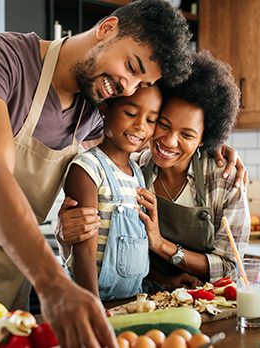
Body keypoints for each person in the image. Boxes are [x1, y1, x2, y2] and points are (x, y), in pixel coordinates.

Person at [0, 0, 195, 344]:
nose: (127, 87)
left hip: (6, 283)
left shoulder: (93, 110)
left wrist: (209, 148)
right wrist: (53, 283)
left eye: (139, 83)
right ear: (107, 29)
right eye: (131, 66)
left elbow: (143, 144)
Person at [57, 51, 250, 292]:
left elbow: (231, 266)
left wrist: (161, 245)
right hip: (143, 299)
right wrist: (65, 230)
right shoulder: (133, 167)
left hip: (208, 301)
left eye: (187, 135)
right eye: (163, 124)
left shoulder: (224, 180)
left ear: (204, 139)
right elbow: (94, 246)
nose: (169, 141)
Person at [65, 86, 161, 301]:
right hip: (90, 300)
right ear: (105, 109)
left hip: (131, 300)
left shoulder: (137, 173)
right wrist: (93, 306)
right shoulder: (87, 168)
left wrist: (166, 280)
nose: (140, 126)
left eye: (151, 120)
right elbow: (84, 250)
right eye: (130, 113)